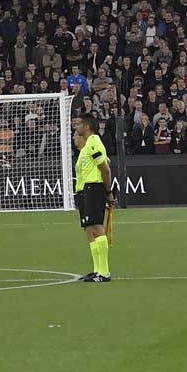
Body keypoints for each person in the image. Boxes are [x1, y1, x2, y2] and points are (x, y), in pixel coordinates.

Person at [72, 118, 113, 283]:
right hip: (84, 190)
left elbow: (105, 169)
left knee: (97, 226)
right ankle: (97, 270)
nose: (76, 127)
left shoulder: (95, 142)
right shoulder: (86, 147)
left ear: (87, 127)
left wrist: (109, 192)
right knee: (89, 229)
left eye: (79, 124)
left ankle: (104, 272)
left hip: (94, 188)